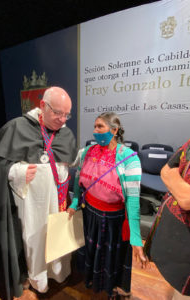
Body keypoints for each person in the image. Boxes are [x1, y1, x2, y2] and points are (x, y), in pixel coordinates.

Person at [0, 87, 77, 299]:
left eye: (67, 114)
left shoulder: (65, 132)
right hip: (31, 202)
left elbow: (71, 159)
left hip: (59, 199)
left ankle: (58, 272)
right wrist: (17, 172)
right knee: (36, 239)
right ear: (43, 106)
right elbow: (4, 167)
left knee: (58, 237)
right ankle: (38, 278)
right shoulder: (18, 127)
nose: (62, 119)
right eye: (58, 112)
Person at [67, 112, 146, 300]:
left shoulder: (129, 158)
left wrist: (136, 238)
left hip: (113, 220)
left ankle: (114, 289)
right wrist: (75, 201)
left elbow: (133, 201)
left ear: (114, 130)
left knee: (112, 258)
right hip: (90, 214)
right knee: (93, 250)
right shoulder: (88, 151)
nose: (95, 131)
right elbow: (78, 178)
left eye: (100, 127)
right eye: (94, 127)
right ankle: (93, 280)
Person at [144, 139, 190, 299]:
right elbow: (166, 170)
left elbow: (186, 199)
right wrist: (182, 190)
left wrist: (176, 183)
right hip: (173, 245)